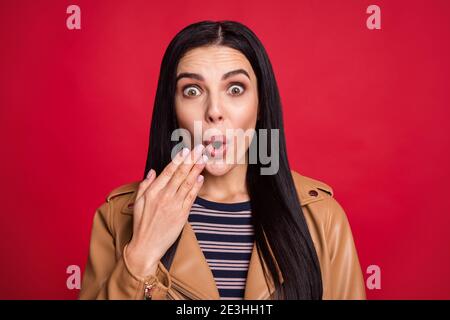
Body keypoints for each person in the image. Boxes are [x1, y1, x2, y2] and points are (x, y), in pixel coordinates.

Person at [79, 20, 366, 300]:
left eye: (235, 89)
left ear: (261, 103)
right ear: (173, 108)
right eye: (192, 90)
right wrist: (142, 252)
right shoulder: (117, 218)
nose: (214, 111)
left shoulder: (323, 217)